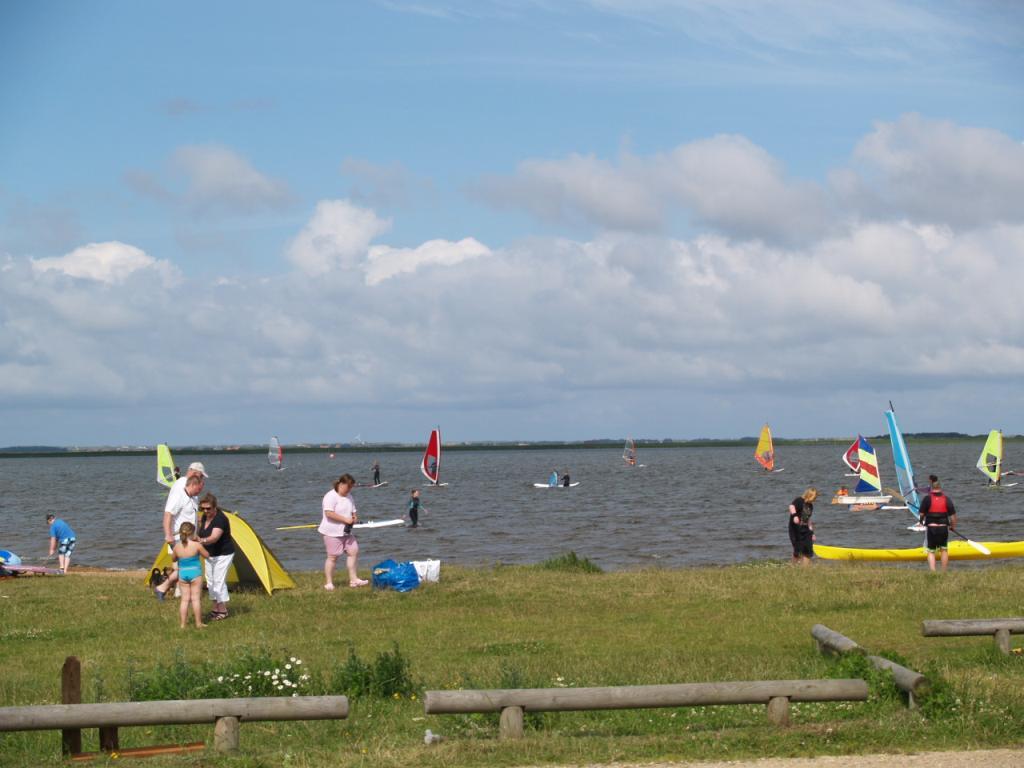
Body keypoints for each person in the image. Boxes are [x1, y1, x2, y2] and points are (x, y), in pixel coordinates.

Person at [155, 473, 205, 600]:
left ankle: (176, 590)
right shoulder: (179, 496)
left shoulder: (194, 498)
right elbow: (168, 515)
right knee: (185, 568)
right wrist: (168, 535)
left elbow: (193, 516)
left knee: (185, 567)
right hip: (179, 538)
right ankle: (162, 588)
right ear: (193, 485)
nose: (200, 491)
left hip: (191, 538)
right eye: (199, 488)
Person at [320, 473, 369, 590]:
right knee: (333, 557)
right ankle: (329, 583)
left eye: (351, 487)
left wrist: (354, 517)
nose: (349, 489)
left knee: (353, 551)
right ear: (341, 484)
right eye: (348, 487)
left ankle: (354, 580)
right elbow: (329, 513)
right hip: (332, 532)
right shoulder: (330, 496)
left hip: (346, 532)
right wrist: (345, 519)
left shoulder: (349, 496)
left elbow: (353, 511)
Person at [197, 493, 234, 621]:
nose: (205, 511)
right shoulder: (204, 517)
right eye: (202, 508)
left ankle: (223, 610)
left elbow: (214, 538)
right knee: (210, 581)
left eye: (208, 508)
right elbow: (201, 530)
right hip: (210, 555)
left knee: (219, 581)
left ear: (215, 507)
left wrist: (200, 541)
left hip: (223, 554)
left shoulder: (220, 519)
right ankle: (215, 608)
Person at [172, 522, 209, 629]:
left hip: (183, 573)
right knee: (195, 599)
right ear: (193, 533)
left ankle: (183, 624)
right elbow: (206, 555)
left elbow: (173, 559)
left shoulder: (177, 547)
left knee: (184, 600)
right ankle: (198, 623)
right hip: (195, 573)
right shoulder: (196, 545)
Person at [918, 477, 957, 572]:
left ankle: (933, 571)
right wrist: (952, 527)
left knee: (931, 551)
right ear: (940, 487)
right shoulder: (947, 499)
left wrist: (921, 521)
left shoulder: (927, 499)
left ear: (932, 488)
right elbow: (953, 517)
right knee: (944, 550)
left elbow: (922, 514)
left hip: (931, 529)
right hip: (943, 529)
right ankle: (943, 571)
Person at [788, 488, 818, 564]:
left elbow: (808, 519)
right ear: (809, 495)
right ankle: (792, 567)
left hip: (805, 529)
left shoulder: (810, 505)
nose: (815, 499)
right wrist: (794, 516)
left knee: (808, 550)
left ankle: (805, 569)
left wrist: (812, 533)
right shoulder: (799, 500)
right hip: (795, 529)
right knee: (798, 550)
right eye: (814, 497)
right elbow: (791, 506)